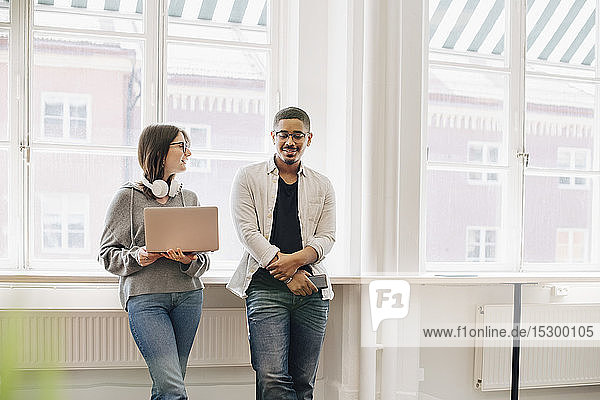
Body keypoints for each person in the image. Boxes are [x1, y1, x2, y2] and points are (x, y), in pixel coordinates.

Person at [227, 106, 336, 399]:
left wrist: (295, 263)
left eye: (297, 135)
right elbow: (247, 233)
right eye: (284, 135)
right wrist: (286, 274)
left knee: (303, 382)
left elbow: (327, 237)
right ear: (273, 136)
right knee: (272, 378)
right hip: (265, 289)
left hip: (311, 291)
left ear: (308, 139)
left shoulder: (322, 184)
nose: (290, 142)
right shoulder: (248, 177)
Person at [99, 124, 210, 400]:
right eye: (182, 146)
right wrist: (139, 257)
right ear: (160, 152)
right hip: (145, 300)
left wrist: (188, 260)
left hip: (188, 297)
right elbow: (107, 255)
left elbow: (204, 259)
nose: (188, 152)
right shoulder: (127, 198)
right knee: (173, 389)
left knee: (166, 386)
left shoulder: (189, 198)